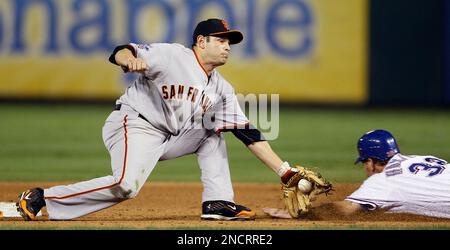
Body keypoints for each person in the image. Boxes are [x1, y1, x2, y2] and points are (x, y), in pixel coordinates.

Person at [16, 18, 309, 221]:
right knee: (126, 186)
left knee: (212, 131)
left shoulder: (221, 87)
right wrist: (127, 60)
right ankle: (43, 197)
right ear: (201, 41)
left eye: (229, 41)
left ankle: (218, 202)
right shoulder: (172, 56)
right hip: (135, 124)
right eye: (220, 40)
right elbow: (123, 50)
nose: (227, 46)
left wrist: (285, 172)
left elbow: (247, 132)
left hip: (169, 137)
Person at [264, 129, 450, 219]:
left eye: (364, 162)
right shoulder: (424, 158)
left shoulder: (383, 181)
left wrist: (302, 214)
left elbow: (342, 210)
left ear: (371, 161)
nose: (365, 167)